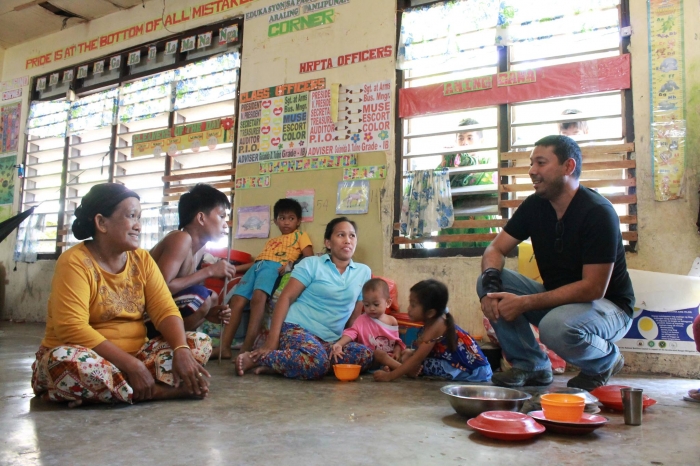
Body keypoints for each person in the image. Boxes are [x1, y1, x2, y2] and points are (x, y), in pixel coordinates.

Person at [477, 135, 635, 391]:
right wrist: (490, 282)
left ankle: (606, 360)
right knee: (492, 283)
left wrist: (524, 303)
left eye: (540, 163)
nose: (532, 171)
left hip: (609, 308)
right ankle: (532, 365)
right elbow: (496, 248)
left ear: (568, 167)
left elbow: (593, 289)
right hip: (560, 303)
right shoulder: (534, 206)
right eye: (531, 163)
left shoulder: (598, 212)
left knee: (555, 328)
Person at [31, 183, 212, 406]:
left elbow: (164, 309)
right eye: (131, 216)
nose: (138, 226)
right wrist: (132, 366)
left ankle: (102, 391)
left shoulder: (142, 260)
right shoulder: (75, 262)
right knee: (63, 362)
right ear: (101, 223)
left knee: (198, 343)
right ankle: (157, 391)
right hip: (88, 357)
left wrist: (181, 349)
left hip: (138, 355)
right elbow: (71, 327)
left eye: (140, 218)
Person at [235, 217, 372, 379]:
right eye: (341, 235)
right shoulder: (312, 264)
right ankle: (258, 358)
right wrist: (272, 340)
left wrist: (343, 342)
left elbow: (355, 315)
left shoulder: (364, 272)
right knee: (317, 361)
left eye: (352, 236)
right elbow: (286, 298)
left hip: (329, 341)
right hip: (297, 329)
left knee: (365, 355)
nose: (347, 240)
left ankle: (287, 364)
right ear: (328, 243)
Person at [219, 198, 314, 358]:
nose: (286, 222)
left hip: (274, 266)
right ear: (276, 221)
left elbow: (309, 258)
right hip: (257, 267)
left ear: (298, 221)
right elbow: (257, 262)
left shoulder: (301, 235)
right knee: (236, 301)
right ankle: (224, 347)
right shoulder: (272, 241)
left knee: (258, 298)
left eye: (291, 218)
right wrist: (234, 269)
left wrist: (290, 266)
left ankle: (247, 349)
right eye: (282, 218)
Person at [149, 184, 235, 339]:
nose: (225, 224)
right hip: (142, 313)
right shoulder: (180, 239)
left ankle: (174, 345)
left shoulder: (200, 248)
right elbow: (160, 288)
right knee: (200, 297)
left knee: (212, 297)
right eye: (221, 216)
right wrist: (209, 271)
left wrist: (208, 314)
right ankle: (161, 344)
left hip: (161, 311)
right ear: (201, 218)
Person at [373, 279, 492, 382]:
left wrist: (389, 376)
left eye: (413, 305)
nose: (409, 309)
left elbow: (418, 359)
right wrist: (410, 353)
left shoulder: (436, 325)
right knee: (407, 354)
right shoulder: (434, 321)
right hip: (466, 367)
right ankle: (402, 368)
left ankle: (402, 369)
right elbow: (421, 352)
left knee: (414, 362)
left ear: (430, 313)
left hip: (469, 371)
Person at [436, 118, 496, 248]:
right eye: (461, 138)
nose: (464, 143)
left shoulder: (487, 163)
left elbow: (488, 189)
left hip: (482, 230)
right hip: (453, 231)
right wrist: (444, 162)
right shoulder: (448, 163)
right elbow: (435, 190)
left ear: (481, 141)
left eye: (470, 138)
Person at [331, 278, 406, 370]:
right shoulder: (361, 320)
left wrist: (397, 352)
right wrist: (339, 344)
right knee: (379, 353)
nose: (371, 308)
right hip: (374, 359)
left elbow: (397, 342)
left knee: (408, 353)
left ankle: (393, 367)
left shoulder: (392, 321)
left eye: (376, 304)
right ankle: (403, 369)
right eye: (367, 305)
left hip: (391, 358)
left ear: (388, 303)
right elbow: (351, 333)